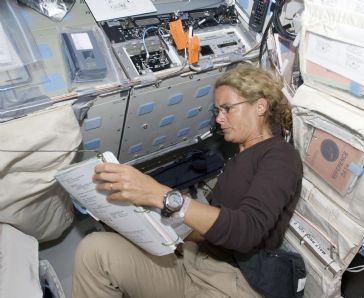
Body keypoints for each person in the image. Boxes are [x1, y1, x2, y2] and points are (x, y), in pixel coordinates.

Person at [72, 63, 303, 298]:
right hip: (191, 262)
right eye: (217, 111)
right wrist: (154, 228)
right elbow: (213, 227)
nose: (220, 119)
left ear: (260, 106)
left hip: (232, 282)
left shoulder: (280, 155)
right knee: (95, 251)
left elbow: (247, 231)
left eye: (227, 109)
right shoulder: (236, 159)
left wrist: (160, 195)